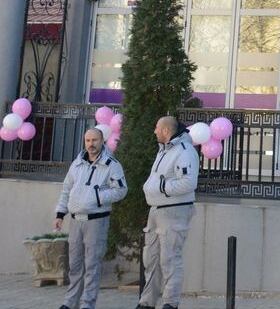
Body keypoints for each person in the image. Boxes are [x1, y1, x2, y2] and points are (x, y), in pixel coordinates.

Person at [54, 127, 127, 309]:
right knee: (75, 264)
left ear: (102, 141)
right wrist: (60, 213)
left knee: (92, 264)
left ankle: (87, 303)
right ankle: (70, 302)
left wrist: (98, 197)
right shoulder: (77, 163)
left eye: (94, 140)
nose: (91, 144)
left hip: (96, 221)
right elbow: (66, 189)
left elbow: (121, 190)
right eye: (88, 140)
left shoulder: (112, 165)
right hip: (75, 220)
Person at [136, 116, 199, 309]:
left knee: (170, 259)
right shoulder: (164, 150)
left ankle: (170, 303)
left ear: (166, 130)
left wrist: (162, 188)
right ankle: (147, 302)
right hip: (156, 210)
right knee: (152, 259)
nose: (154, 131)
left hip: (174, 211)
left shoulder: (184, 151)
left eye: (157, 127)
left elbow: (189, 183)